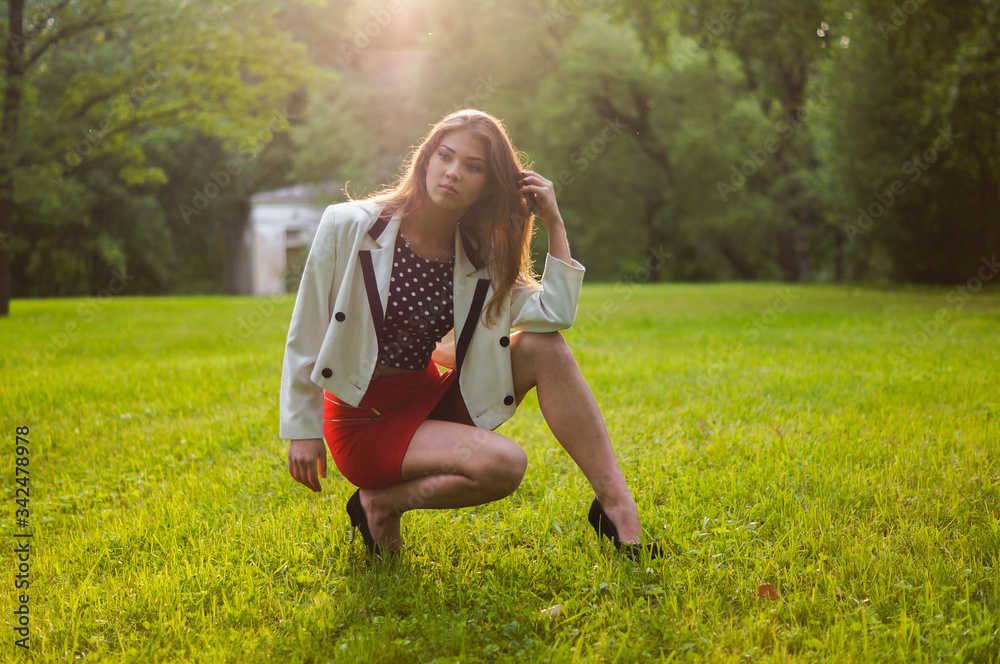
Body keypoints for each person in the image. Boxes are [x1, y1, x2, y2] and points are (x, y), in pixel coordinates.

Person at [280, 109, 660, 560]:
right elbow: (305, 330)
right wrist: (301, 430)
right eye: (445, 156)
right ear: (426, 160)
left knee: (546, 347)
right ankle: (377, 504)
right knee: (505, 464)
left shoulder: (477, 256)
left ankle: (617, 507)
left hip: (425, 399)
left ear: (488, 184)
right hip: (364, 418)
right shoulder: (349, 224)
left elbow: (553, 313)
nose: (453, 172)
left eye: (473, 166)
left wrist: (554, 223)